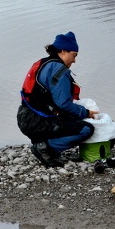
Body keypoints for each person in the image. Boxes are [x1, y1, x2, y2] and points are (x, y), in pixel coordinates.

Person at [17, 31, 99, 167]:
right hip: (37, 121)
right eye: (74, 55)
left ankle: (45, 143)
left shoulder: (44, 63)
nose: (74, 60)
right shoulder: (59, 70)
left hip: (26, 117)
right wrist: (86, 112)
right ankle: (45, 148)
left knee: (71, 119)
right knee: (86, 129)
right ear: (63, 51)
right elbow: (64, 103)